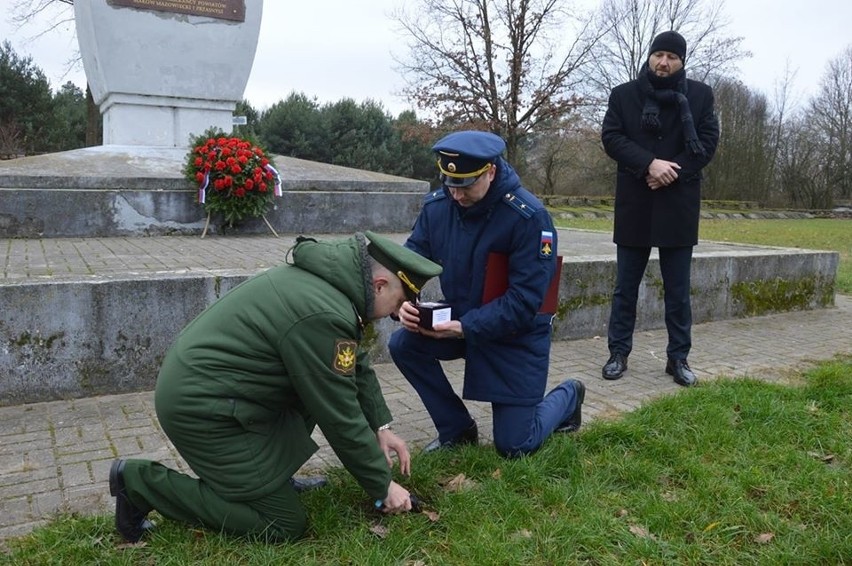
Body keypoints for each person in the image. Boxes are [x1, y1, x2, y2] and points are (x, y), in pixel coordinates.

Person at [108, 231, 442, 543]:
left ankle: (271, 478)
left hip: (230, 391)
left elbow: (354, 361)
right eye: (398, 304)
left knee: (313, 390)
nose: (395, 315)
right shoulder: (323, 311)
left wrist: (380, 425)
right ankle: (139, 483)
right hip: (203, 408)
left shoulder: (333, 286)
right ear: (380, 285)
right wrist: (383, 486)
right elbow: (339, 415)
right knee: (282, 524)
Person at [388, 130, 585, 459]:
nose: (456, 195)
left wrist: (466, 326)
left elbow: (525, 301)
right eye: (450, 184)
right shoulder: (439, 208)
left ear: (491, 172)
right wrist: (403, 302)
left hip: (514, 334)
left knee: (515, 446)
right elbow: (410, 262)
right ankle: (457, 429)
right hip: (465, 318)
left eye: (465, 185)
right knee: (403, 344)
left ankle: (569, 395)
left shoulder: (529, 218)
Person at [600, 31, 720, 387]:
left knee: (678, 290)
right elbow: (612, 137)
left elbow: (708, 143)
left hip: (678, 204)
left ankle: (678, 358)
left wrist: (670, 172)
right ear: (649, 57)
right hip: (636, 203)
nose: (663, 62)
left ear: (681, 62)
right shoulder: (624, 95)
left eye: (672, 57)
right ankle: (618, 352)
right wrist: (650, 163)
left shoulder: (700, 96)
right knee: (625, 288)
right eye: (658, 55)